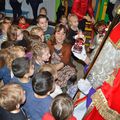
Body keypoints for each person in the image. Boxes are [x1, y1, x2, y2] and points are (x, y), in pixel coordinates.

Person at [47, 23, 76, 89]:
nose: (60, 36)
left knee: (73, 75)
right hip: (51, 64)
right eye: (58, 33)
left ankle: (67, 88)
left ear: (66, 35)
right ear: (54, 34)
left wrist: (51, 70)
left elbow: (64, 61)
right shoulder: (49, 43)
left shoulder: (68, 46)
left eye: (63, 34)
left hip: (63, 66)